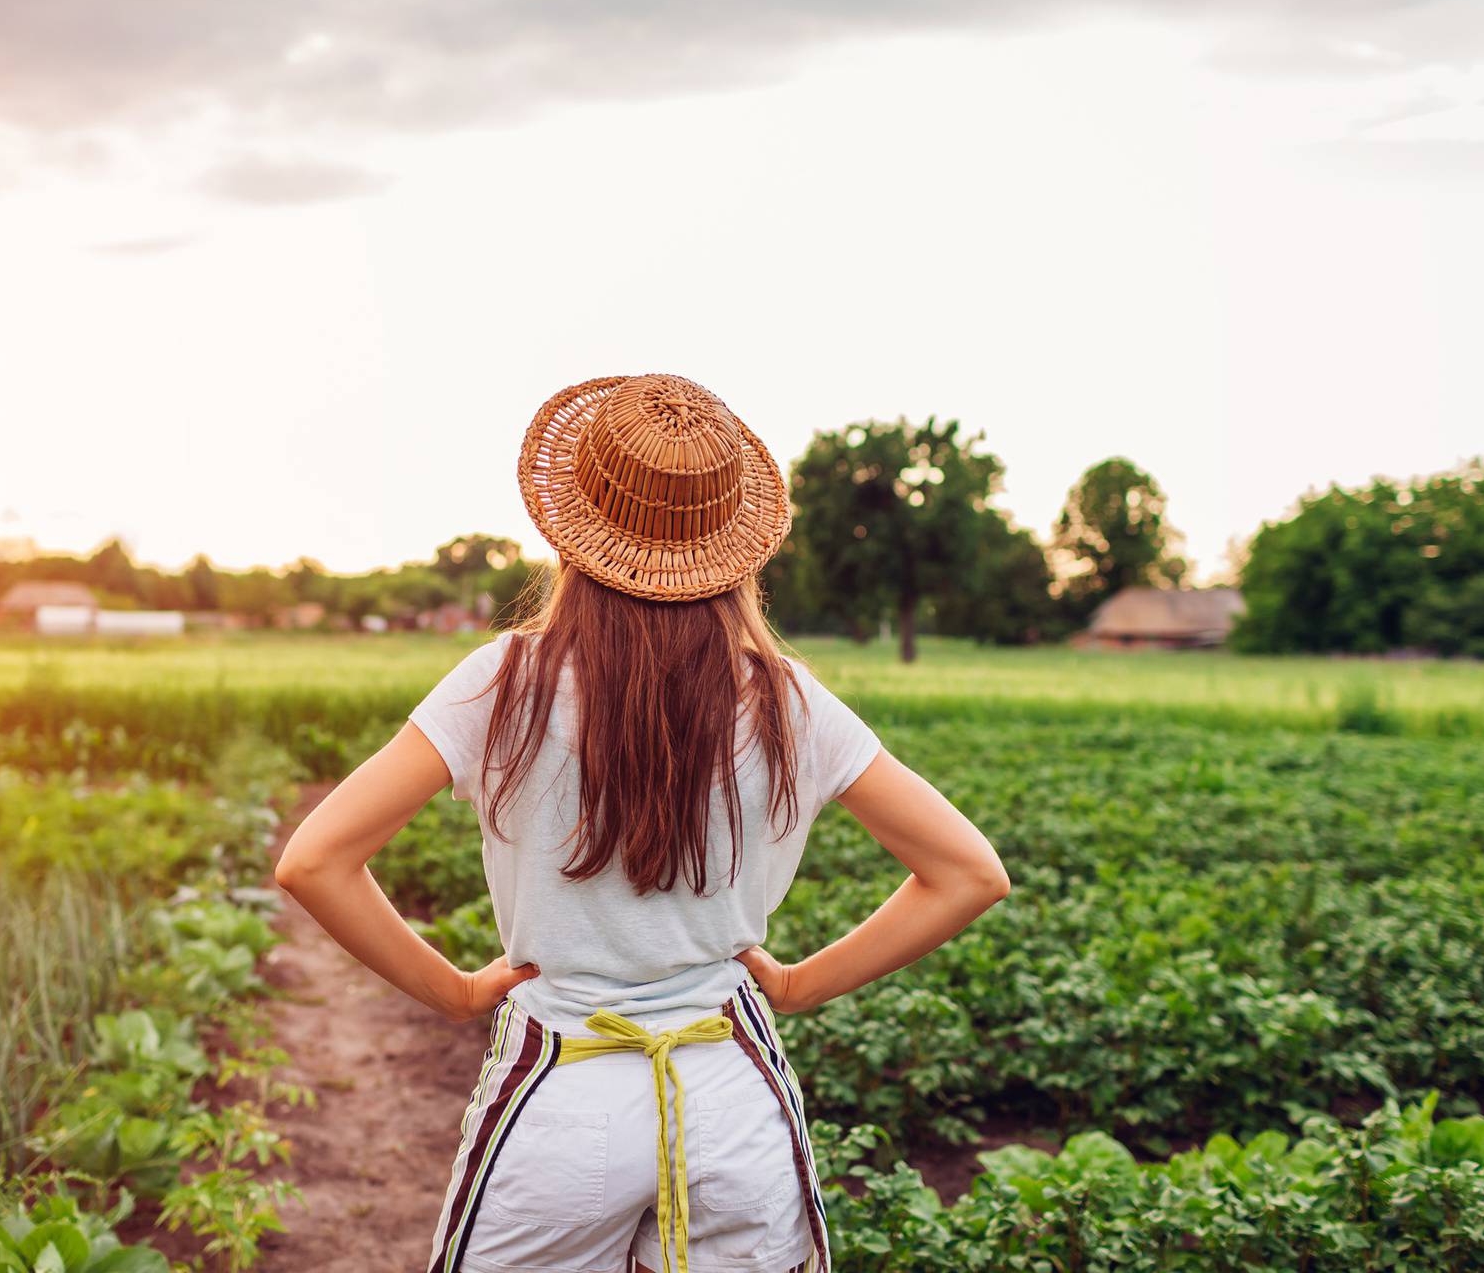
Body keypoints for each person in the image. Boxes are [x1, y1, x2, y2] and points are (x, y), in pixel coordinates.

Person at [274, 373, 1010, 1273]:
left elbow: (313, 862)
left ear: (572, 529)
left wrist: (454, 993)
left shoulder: (504, 681)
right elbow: (971, 873)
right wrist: (799, 986)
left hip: (559, 1095)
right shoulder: (788, 701)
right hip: (731, 1097)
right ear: (735, 546)